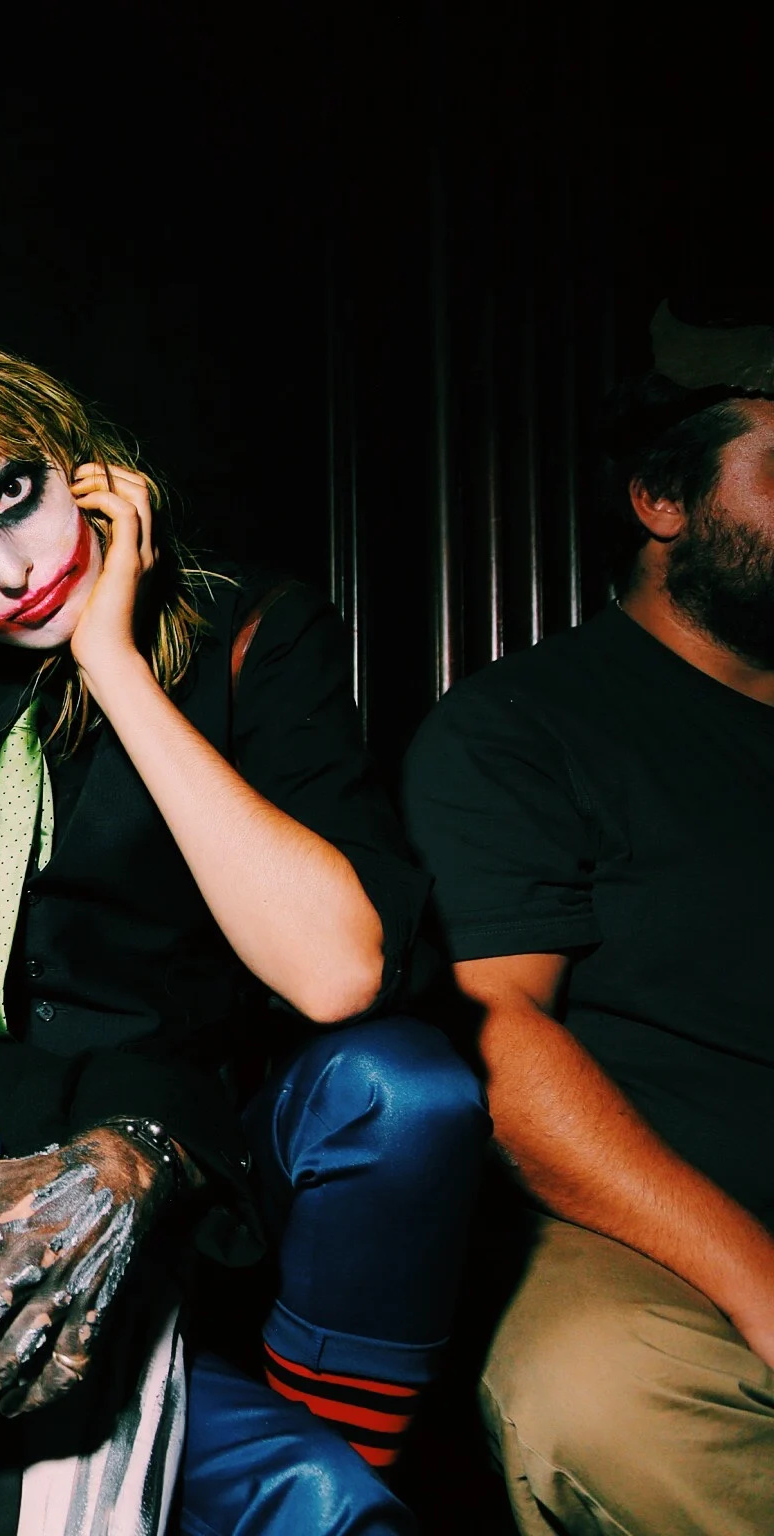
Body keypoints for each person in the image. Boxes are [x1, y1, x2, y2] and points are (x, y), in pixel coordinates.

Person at [0, 336, 489, 1536]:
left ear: (75, 456)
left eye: (15, 495)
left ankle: (307, 1427)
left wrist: (112, 664)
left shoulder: (254, 633)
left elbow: (337, 972)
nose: (12, 570)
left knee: (406, 1091)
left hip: (209, 1181)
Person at [401, 299, 774, 1536]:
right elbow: (500, 1036)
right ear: (662, 500)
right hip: (654, 1236)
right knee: (596, 1392)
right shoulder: (521, 730)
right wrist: (759, 1280)